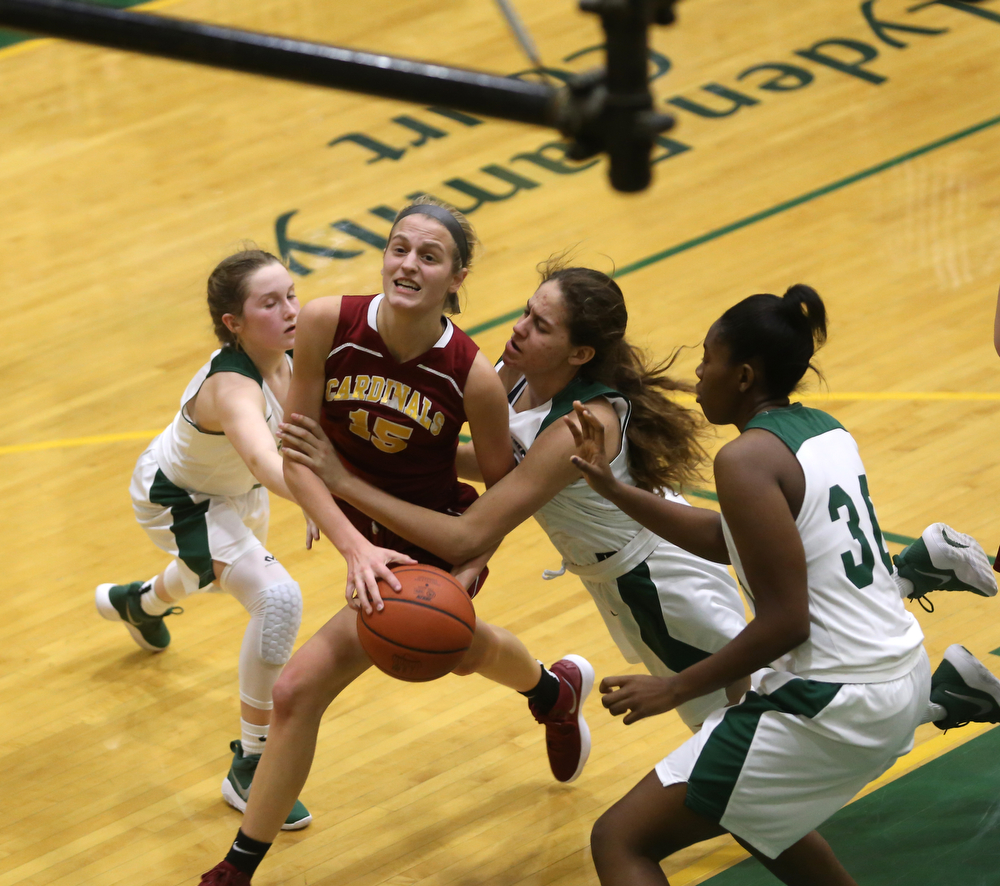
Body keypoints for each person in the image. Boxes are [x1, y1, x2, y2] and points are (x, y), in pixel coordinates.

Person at [278, 263, 995, 734]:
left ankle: (942, 683)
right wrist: (378, 454)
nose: (519, 328)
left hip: (655, 582)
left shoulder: (584, 422)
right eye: (527, 312)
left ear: (581, 354)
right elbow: (502, 477)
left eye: (540, 324)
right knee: (774, 695)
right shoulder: (514, 372)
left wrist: (345, 480)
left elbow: (490, 514)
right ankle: (920, 590)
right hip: (643, 558)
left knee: (756, 723)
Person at [151, 198, 593, 886]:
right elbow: (302, 449)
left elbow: (501, 495)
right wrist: (350, 538)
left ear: (456, 277)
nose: (407, 264)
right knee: (463, 648)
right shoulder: (328, 322)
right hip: (363, 535)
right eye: (398, 248)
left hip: (424, 540)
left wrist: (471, 561)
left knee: (298, 689)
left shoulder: (473, 377)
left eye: (429, 255)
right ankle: (552, 690)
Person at [567, 284, 1000, 886]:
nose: (697, 374)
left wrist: (677, 685)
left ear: (744, 375)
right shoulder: (822, 431)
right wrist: (613, 488)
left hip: (830, 700)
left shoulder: (744, 458)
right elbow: (728, 538)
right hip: (897, 675)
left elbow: (785, 622)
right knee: (753, 805)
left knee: (621, 840)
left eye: (708, 359)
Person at [96, 248, 313, 831]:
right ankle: (253, 762)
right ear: (233, 324)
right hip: (180, 500)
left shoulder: (289, 355)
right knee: (277, 599)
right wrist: (324, 500)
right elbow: (269, 462)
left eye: (291, 293)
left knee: (210, 575)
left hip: (233, 494)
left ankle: (137, 604)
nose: (290, 309)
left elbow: (299, 436)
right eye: (270, 303)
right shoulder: (231, 387)